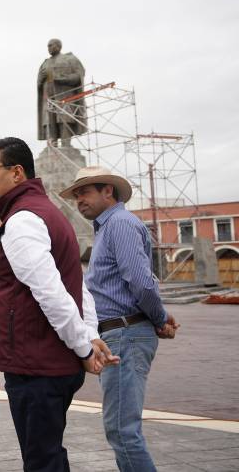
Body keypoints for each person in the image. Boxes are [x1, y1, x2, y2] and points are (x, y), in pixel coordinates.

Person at [0, 137, 118, 471]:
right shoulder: (49, 214)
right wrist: (88, 335)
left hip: (35, 366)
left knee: (41, 460)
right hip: (50, 363)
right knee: (48, 453)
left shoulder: (23, 220)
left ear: (16, 173)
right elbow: (76, 283)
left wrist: (85, 347)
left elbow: (52, 292)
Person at [61, 166, 179, 471]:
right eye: (76, 195)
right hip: (119, 334)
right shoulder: (107, 228)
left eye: (84, 192)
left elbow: (140, 281)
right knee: (121, 429)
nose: (79, 201)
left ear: (107, 191)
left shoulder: (121, 224)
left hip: (125, 334)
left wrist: (159, 317)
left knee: (123, 430)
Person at [37, 38, 87, 146]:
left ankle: (66, 145)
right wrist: (40, 78)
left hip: (65, 96)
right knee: (50, 122)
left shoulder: (70, 59)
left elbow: (78, 76)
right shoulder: (45, 63)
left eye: (51, 45)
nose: (49, 48)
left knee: (64, 120)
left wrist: (62, 79)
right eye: (47, 46)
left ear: (58, 46)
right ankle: (52, 146)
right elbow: (39, 83)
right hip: (48, 98)